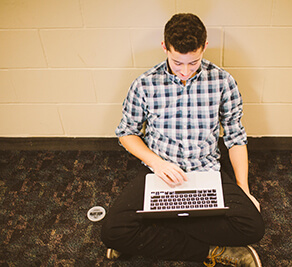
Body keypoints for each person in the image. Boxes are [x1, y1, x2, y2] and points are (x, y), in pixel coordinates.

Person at [101, 13, 265, 267]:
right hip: (160, 174)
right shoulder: (144, 85)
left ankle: (156, 224)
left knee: (253, 225)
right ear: (165, 48)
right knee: (112, 231)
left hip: (206, 171)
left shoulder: (224, 82)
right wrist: (157, 163)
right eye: (178, 63)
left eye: (194, 62)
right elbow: (126, 133)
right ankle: (212, 250)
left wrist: (244, 188)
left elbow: (235, 138)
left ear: (204, 47)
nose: (186, 71)